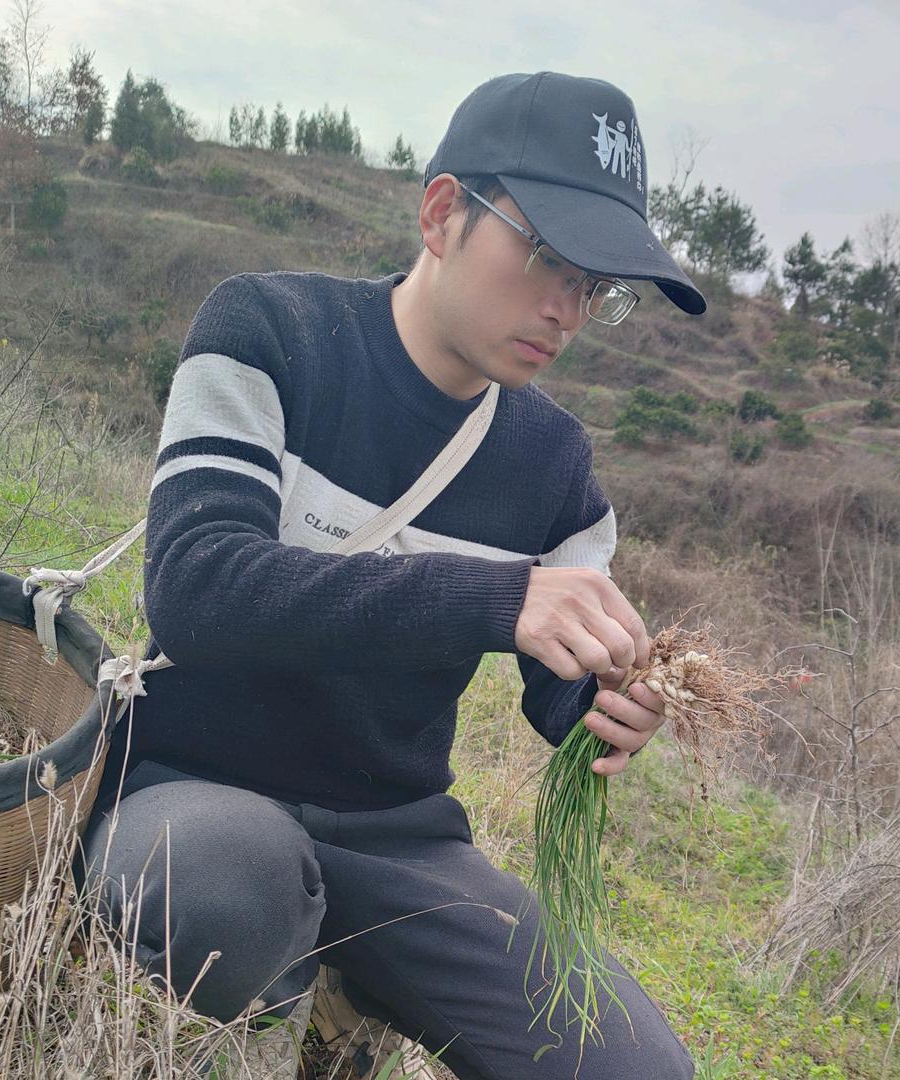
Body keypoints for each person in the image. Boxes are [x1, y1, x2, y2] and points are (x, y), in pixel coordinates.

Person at [80, 70, 706, 1080]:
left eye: (597, 286)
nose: (567, 307)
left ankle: (357, 975)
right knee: (226, 898)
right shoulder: (267, 334)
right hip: (196, 792)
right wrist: (498, 601)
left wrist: (614, 696)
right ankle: (275, 984)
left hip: (394, 839)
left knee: (635, 1068)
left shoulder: (554, 465)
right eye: (547, 253)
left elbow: (562, 689)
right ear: (441, 212)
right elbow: (196, 588)